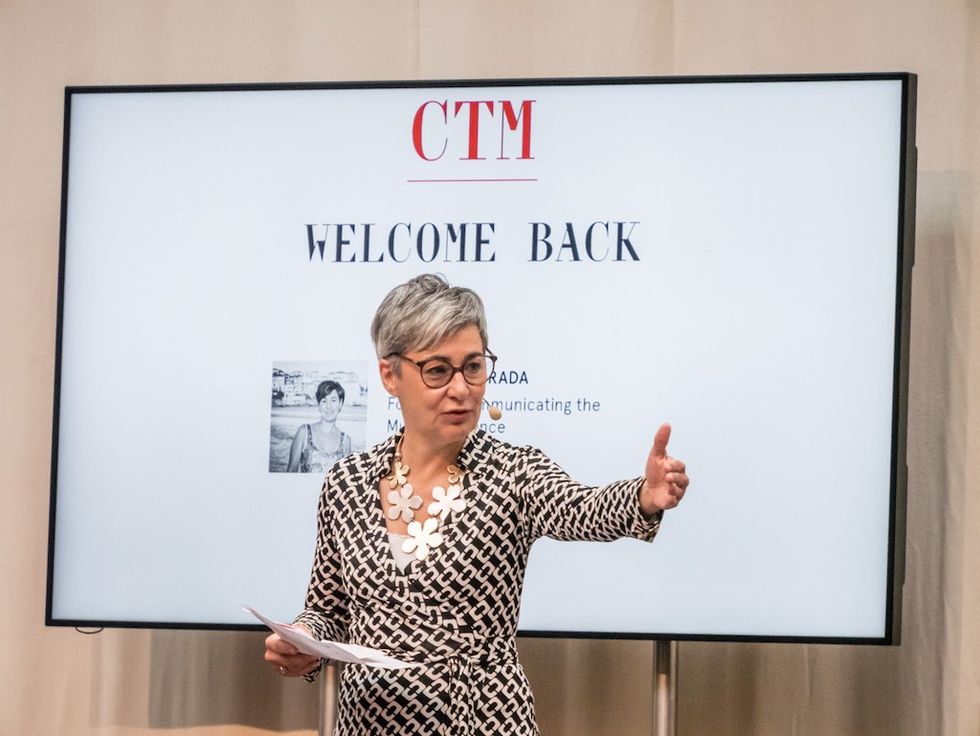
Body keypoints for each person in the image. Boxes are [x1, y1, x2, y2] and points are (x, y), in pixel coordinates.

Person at [264, 274, 689, 735]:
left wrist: (643, 498)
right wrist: (302, 639)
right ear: (390, 374)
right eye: (437, 371)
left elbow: (580, 508)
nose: (461, 388)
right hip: (370, 721)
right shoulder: (346, 483)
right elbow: (328, 609)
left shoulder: (513, 471)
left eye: (473, 366)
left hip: (481, 719)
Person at [286, 380, 352, 473]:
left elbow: (345, 479)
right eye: (324, 401)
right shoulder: (304, 433)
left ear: (340, 404)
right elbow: (290, 472)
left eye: (333, 400)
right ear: (319, 405)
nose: (328, 406)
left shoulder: (345, 441)